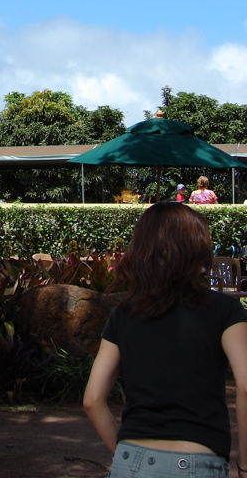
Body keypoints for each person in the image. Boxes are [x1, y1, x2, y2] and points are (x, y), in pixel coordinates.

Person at [84, 201, 247, 478]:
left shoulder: (123, 314)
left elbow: (93, 399)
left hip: (130, 459)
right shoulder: (226, 310)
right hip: (198, 461)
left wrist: (126, 456)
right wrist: (244, 465)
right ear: (198, 248)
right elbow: (245, 386)